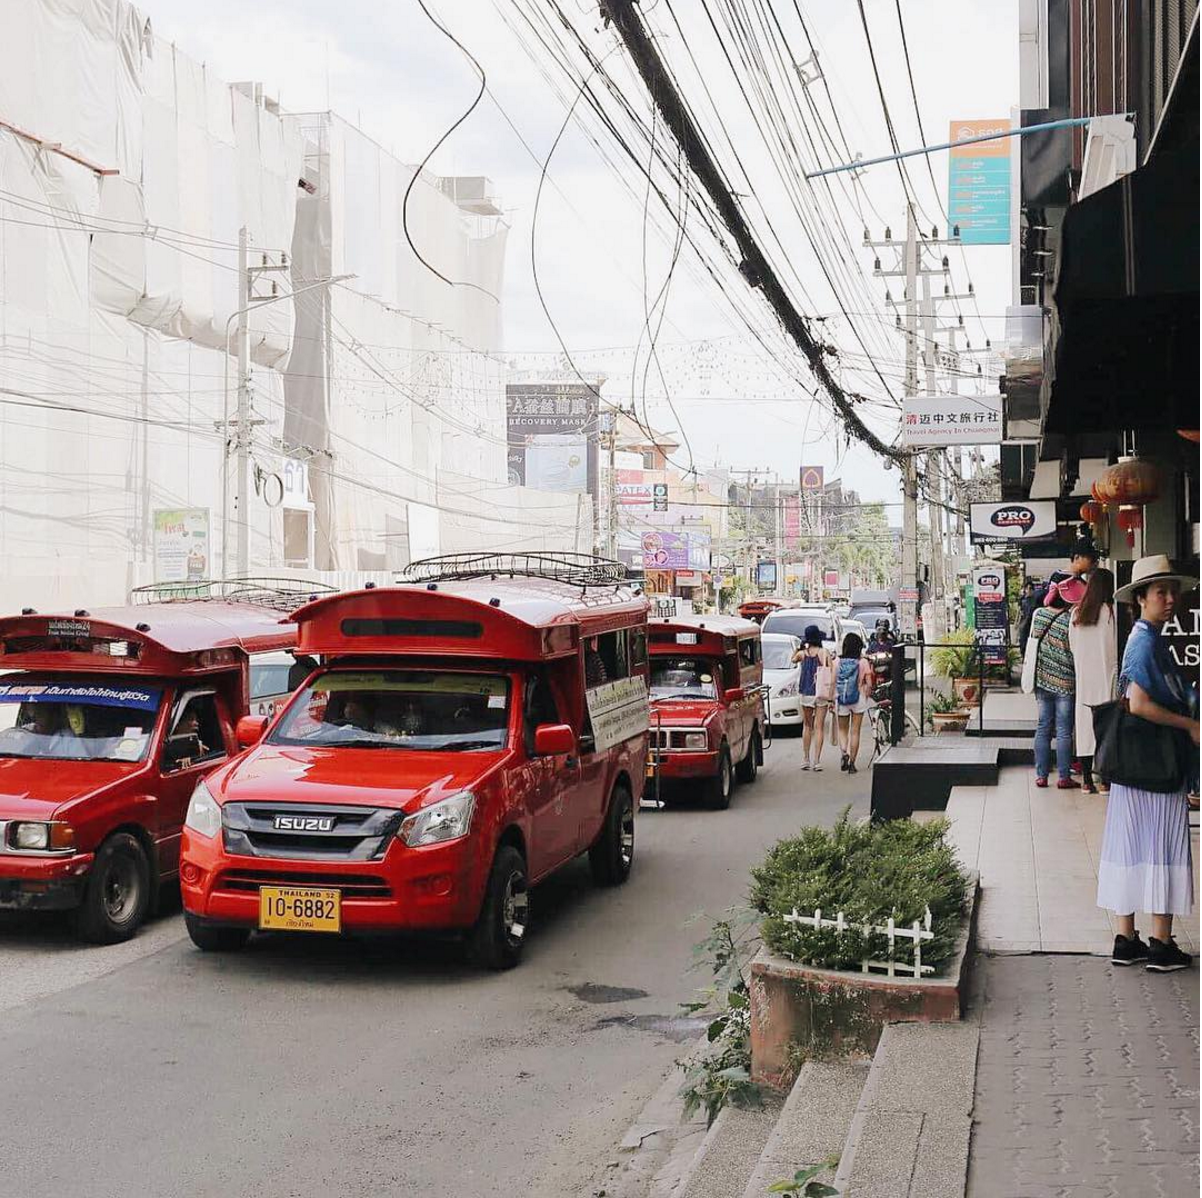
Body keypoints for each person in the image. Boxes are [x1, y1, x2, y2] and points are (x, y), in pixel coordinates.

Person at [1097, 555, 1199, 972]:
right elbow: (1138, 703)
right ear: (1141, 598)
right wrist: (1190, 724)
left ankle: (1127, 937)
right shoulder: (1146, 641)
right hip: (1157, 763)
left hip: (1133, 766)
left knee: (1128, 844)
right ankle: (1161, 941)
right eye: (1161, 592)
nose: (1170, 598)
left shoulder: (1144, 637)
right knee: (1163, 845)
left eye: (1172, 591)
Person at [1068, 568, 1118, 794]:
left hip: (1084, 679)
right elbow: (1115, 647)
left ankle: (1087, 781)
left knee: (1085, 729)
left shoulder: (1076, 614)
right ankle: (1105, 780)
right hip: (1106, 677)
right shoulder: (1110, 612)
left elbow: (1072, 648)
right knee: (1106, 730)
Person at [1030, 584, 1077, 789]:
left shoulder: (1038, 615)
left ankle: (1041, 775)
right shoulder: (1071, 620)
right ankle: (1063, 777)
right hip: (1066, 682)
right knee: (1064, 731)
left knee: (1043, 728)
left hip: (1041, 680)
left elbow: (1031, 640)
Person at [791, 624, 834, 771]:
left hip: (806, 692)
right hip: (821, 692)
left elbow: (792, 659)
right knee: (819, 726)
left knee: (807, 726)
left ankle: (805, 759)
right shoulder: (824, 652)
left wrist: (801, 646)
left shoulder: (803, 654)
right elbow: (831, 670)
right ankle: (817, 761)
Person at [834, 631, 874, 775]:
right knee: (855, 731)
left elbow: (833, 682)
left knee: (842, 730)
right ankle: (852, 764)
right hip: (859, 698)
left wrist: (831, 699)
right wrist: (868, 693)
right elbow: (869, 683)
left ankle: (844, 752)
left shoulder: (837, 662)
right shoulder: (863, 662)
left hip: (842, 698)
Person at [1017, 580, 1039, 654]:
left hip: (1032, 625)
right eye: (1027, 588)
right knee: (1023, 643)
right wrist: (1017, 623)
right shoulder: (1022, 600)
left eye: (1030, 589)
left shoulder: (1036, 600)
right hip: (1024, 624)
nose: (1028, 590)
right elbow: (1019, 612)